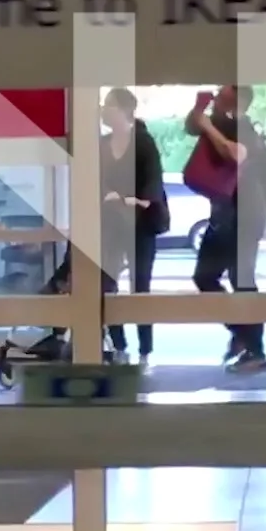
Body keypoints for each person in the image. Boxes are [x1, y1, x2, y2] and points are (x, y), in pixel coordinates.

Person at [184, 86, 266, 373]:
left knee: (241, 277)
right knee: (204, 276)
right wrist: (199, 111)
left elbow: (235, 154)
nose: (217, 94)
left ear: (237, 100)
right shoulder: (220, 120)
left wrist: (207, 123)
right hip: (224, 213)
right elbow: (191, 127)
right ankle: (242, 333)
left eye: (224, 91)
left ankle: (256, 351)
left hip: (245, 213)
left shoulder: (243, 127)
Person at [99, 88, 165, 362]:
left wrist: (139, 201)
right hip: (110, 223)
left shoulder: (144, 142)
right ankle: (119, 344)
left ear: (125, 110)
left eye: (109, 105)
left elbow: (153, 180)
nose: (103, 110)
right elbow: (95, 178)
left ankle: (146, 349)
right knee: (107, 282)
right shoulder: (101, 144)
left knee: (141, 285)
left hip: (140, 223)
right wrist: (106, 195)